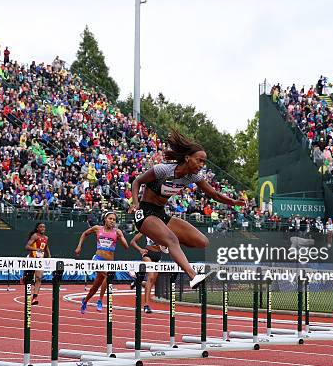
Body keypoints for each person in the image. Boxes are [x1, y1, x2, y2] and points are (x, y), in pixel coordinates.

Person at [129, 129, 247, 289]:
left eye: (204, 163)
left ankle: (166, 242)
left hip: (161, 215)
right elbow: (137, 182)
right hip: (145, 213)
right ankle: (193, 276)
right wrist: (135, 203)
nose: (202, 165)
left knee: (202, 241)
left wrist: (234, 202)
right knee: (172, 240)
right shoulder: (163, 170)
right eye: (199, 161)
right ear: (187, 158)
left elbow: (214, 194)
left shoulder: (193, 177)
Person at [75, 211, 128, 313]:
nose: (112, 221)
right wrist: (79, 246)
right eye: (110, 219)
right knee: (107, 276)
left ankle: (85, 301)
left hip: (109, 262)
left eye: (114, 220)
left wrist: (121, 238)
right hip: (98, 259)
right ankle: (100, 300)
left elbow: (126, 247)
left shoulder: (117, 232)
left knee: (95, 286)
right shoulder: (97, 228)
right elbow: (84, 234)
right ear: (105, 219)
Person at [130, 232, 165, 313]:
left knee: (150, 284)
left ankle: (137, 281)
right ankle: (146, 305)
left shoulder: (162, 229)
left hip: (158, 256)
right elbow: (132, 242)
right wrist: (140, 250)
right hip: (148, 254)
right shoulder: (146, 229)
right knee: (151, 277)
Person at [24, 222, 51, 305]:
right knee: (28, 278)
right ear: (37, 228)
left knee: (39, 278)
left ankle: (34, 298)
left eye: (44, 227)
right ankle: (24, 276)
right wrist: (36, 250)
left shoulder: (46, 237)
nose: (43, 228)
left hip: (40, 260)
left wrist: (49, 255)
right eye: (41, 227)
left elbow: (46, 247)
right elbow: (27, 246)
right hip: (32, 259)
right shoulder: (35, 236)